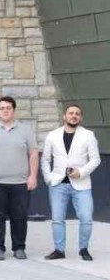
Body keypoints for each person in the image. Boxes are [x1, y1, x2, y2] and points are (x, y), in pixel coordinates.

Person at [0, 96, 38, 261]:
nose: (5, 111)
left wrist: (33, 176)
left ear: (14, 110)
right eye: (2, 108)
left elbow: (33, 154)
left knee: (20, 217)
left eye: (8, 108)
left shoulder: (26, 131)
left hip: (20, 182)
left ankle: (19, 247)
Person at [42, 105, 100, 261]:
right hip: (57, 184)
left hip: (82, 184)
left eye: (77, 114)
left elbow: (95, 159)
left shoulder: (88, 135)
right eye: (71, 113)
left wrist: (81, 172)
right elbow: (45, 159)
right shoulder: (53, 135)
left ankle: (84, 249)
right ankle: (59, 250)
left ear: (80, 118)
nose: (74, 116)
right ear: (64, 116)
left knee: (86, 218)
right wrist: (48, 178)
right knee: (57, 220)